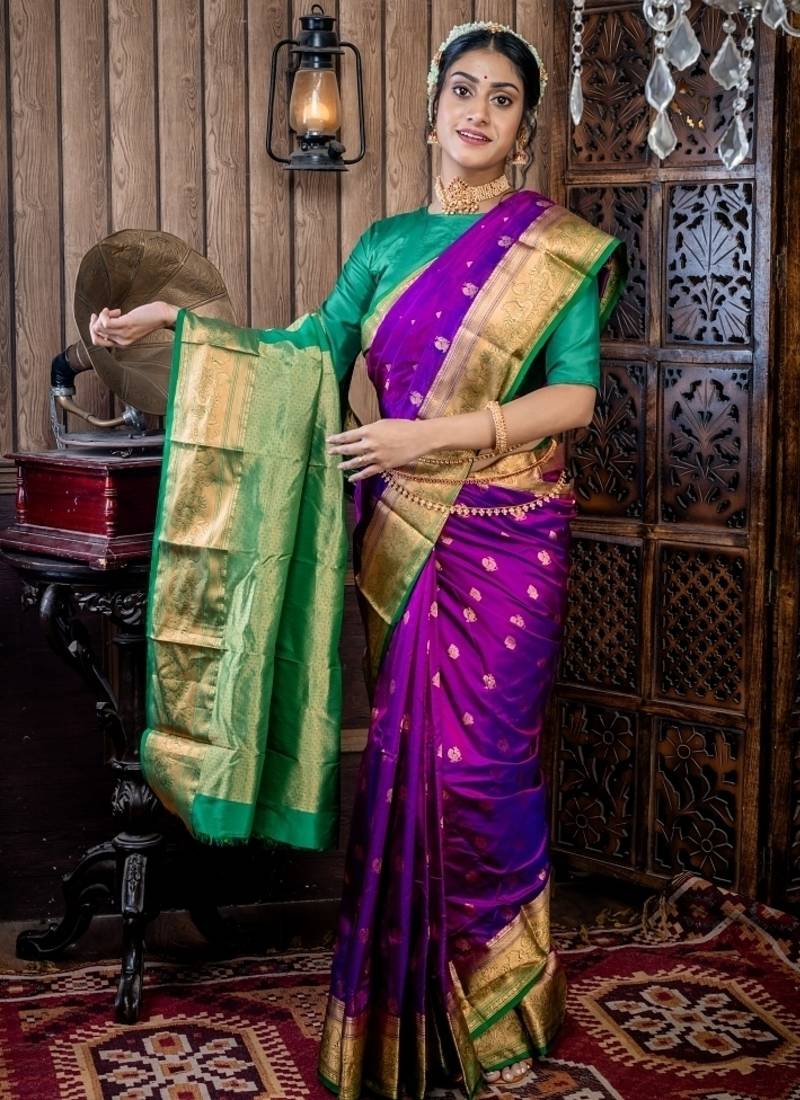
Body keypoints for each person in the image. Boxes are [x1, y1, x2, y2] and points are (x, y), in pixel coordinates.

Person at [91, 20, 625, 1099]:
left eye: (503, 99)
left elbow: (574, 396)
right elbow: (301, 357)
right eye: (462, 91)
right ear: (431, 112)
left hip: (508, 535)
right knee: (406, 763)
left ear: (523, 129)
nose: (478, 112)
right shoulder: (384, 244)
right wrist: (178, 323)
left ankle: (501, 1008)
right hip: (405, 535)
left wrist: (428, 437)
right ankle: (407, 1006)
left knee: (482, 769)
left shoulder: (556, 248)